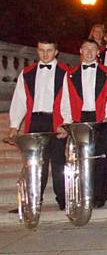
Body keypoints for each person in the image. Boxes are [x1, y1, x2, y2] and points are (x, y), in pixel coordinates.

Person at [9, 38, 70, 211]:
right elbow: (20, 99)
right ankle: (32, 201)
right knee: (34, 163)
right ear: (37, 50)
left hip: (56, 121)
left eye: (49, 50)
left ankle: (64, 200)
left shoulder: (65, 72)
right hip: (34, 121)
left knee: (58, 162)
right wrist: (14, 124)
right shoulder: (27, 72)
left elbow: (69, 101)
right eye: (42, 50)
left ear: (56, 51)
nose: (45, 54)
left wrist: (66, 123)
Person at [61, 39, 107, 208]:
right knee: (80, 158)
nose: (90, 52)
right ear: (80, 50)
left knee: (101, 158)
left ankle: (100, 196)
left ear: (98, 52)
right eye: (86, 48)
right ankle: (83, 194)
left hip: (102, 118)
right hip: (80, 118)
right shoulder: (70, 74)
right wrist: (67, 121)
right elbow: (65, 99)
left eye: (93, 49)